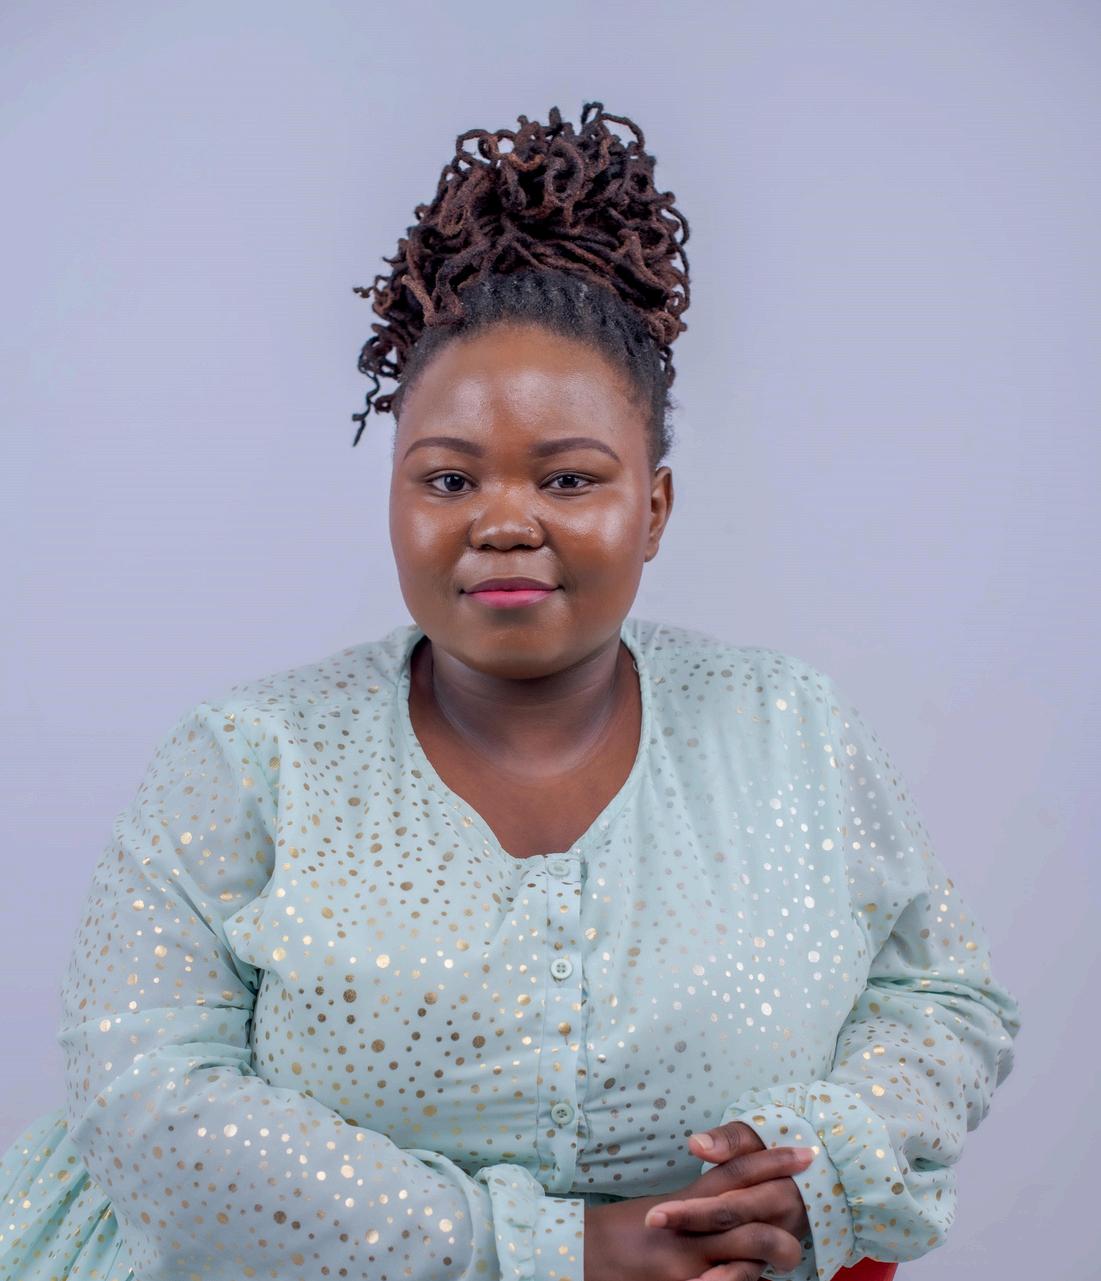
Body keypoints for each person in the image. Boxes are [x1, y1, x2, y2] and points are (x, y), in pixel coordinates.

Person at [0, 102, 1021, 1281]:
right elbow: (141, 1104)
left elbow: (944, 997)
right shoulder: (245, 760)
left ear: (653, 508)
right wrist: (556, 1250)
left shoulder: (788, 728)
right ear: (396, 497)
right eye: (448, 479)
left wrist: (819, 1166)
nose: (502, 522)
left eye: (568, 479)